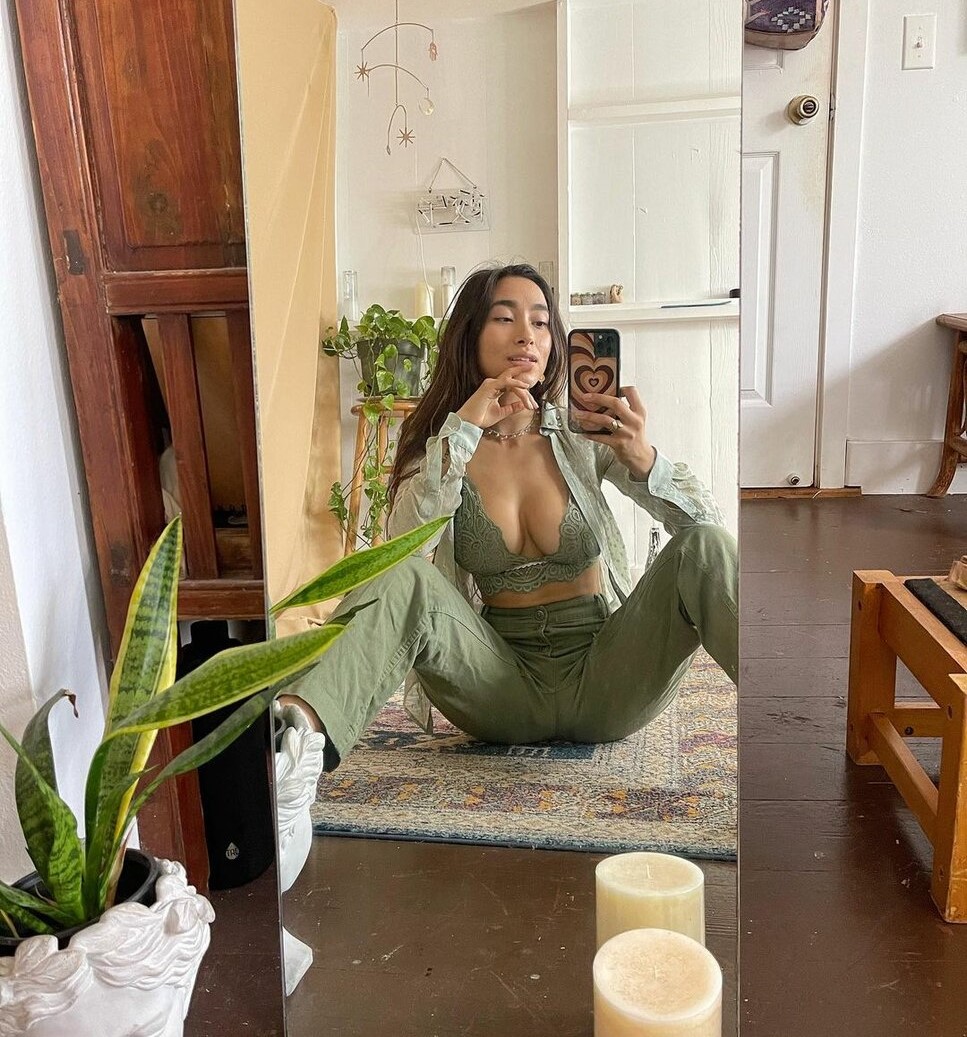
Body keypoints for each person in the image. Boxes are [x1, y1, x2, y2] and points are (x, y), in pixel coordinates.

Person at [279, 263, 737, 770]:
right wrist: (463, 431)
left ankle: (783, 719)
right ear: (470, 336)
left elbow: (706, 526)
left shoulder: (583, 436)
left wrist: (643, 458)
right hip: (498, 686)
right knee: (403, 574)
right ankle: (291, 754)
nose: (526, 335)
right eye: (505, 318)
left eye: (540, 322)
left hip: (608, 677)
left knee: (706, 545)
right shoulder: (443, 449)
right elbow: (403, 549)